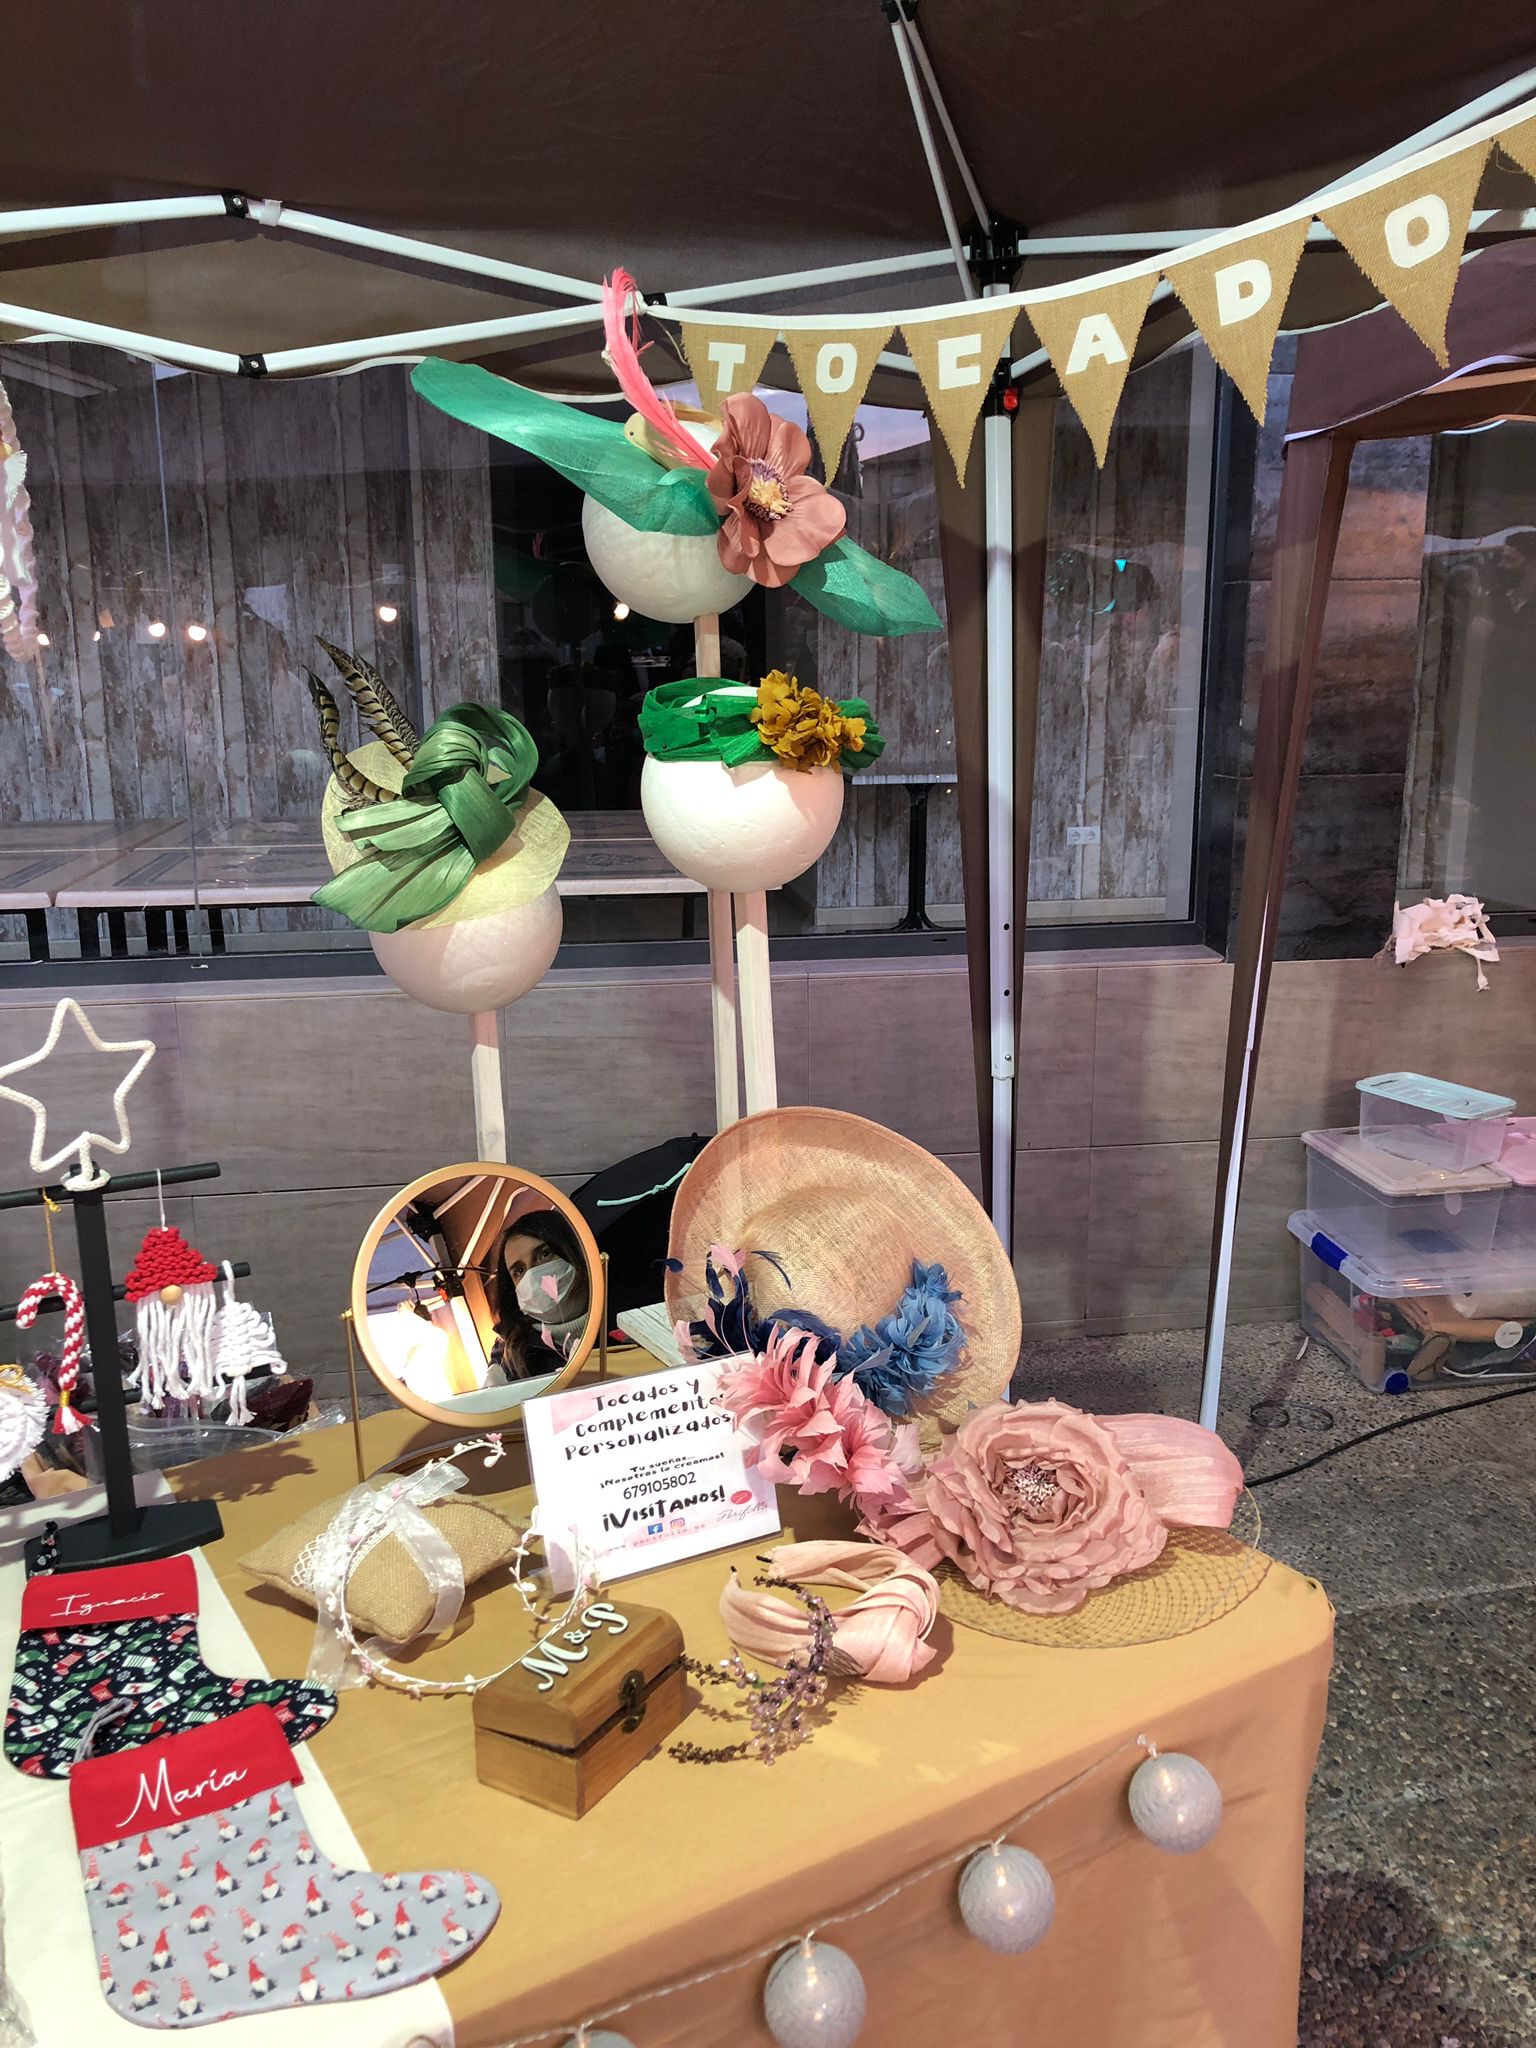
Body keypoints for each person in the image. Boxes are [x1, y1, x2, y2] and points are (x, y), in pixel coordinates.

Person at [492, 1208, 591, 1376]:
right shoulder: (512, 1355)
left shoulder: (625, 1311)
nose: (533, 1274)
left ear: (572, 1249)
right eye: (519, 1271)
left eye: (544, 1254)